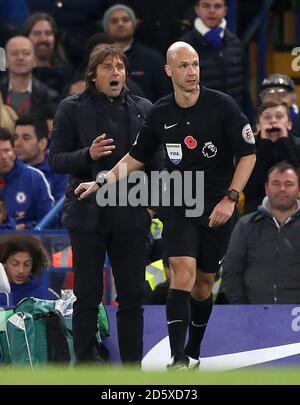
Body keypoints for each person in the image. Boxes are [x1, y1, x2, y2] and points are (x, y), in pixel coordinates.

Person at [75, 41, 256, 369]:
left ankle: (195, 350)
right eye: (184, 66)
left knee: (203, 285)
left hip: (217, 205)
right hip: (179, 200)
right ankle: (178, 358)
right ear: (169, 71)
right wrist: (100, 180)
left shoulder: (223, 105)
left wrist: (230, 199)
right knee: (181, 272)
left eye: (196, 64)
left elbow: (248, 154)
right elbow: (135, 158)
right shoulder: (160, 112)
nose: (192, 72)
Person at [49, 46, 162, 365]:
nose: (115, 72)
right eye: (107, 67)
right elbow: (55, 160)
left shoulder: (144, 108)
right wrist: (88, 154)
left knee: (131, 299)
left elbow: (159, 163)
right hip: (87, 214)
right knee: (87, 297)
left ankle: (131, 371)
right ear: (93, 74)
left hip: (131, 214)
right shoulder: (70, 108)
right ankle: (85, 367)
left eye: (120, 67)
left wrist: (151, 206)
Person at [223, 162, 300, 304]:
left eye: (289, 184)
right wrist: (243, 309)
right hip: (254, 315)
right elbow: (231, 271)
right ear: (266, 188)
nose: (282, 189)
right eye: (276, 183)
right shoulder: (246, 226)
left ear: (299, 190)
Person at [180, 0, 255, 123]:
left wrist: (251, 122)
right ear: (197, 9)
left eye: (217, 6)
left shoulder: (235, 43)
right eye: (206, 5)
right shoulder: (185, 46)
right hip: (201, 124)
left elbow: (244, 89)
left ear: (225, 10)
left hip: (235, 122)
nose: (212, 11)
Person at [243, 101, 300, 213]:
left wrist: (283, 142)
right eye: (267, 117)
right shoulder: (248, 148)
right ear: (258, 125)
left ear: (289, 123)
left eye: (279, 116)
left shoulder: (298, 145)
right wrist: (265, 144)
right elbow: (250, 189)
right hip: (257, 205)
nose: (273, 121)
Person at [0, 127, 54, 229]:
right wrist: (11, 228)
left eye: (6, 150)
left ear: (14, 151)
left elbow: (49, 219)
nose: (3, 157)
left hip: (27, 242)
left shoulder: (34, 178)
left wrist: (27, 227)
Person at [0, 233, 50, 305]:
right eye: (15, 264)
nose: (21, 270)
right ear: (3, 263)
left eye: (27, 264)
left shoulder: (43, 293)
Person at [260, 73, 300, 138]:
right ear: (263, 99)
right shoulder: (254, 131)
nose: (276, 98)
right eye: (270, 93)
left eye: (282, 93)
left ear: (293, 99)